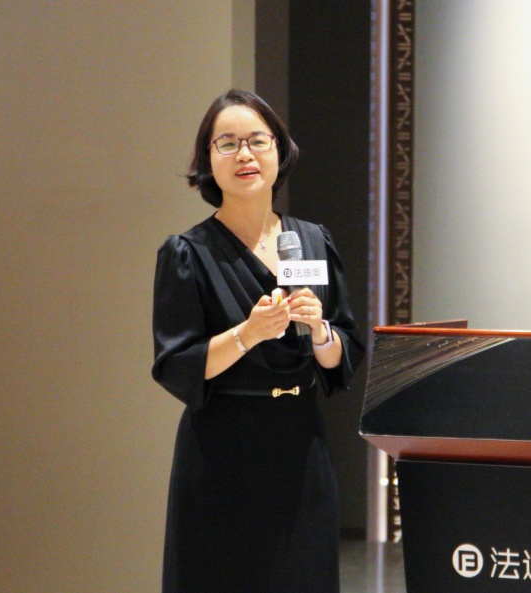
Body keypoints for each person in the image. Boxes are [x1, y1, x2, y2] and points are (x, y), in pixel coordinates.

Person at [151, 89, 365, 593]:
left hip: (300, 444)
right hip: (222, 453)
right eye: (227, 143)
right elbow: (176, 364)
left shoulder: (312, 241)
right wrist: (248, 335)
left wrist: (320, 331)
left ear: (279, 150)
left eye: (257, 140)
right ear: (208, 161)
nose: (244, 154)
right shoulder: (188, 253)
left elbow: (345, 352)